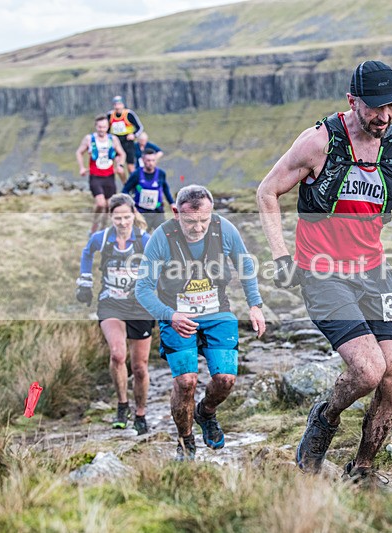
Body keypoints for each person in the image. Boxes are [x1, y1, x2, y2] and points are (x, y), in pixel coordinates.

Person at [256, 60, 392, 484]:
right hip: (322, 273)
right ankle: (324, 418)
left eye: (391, 107)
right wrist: (280, 256)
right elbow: (267, 191)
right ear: (352, 101)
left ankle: (362, 469)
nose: (384, 116)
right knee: (367, 371)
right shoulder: (319, 142)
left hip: (375, 272)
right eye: (375, 107)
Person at [135, 184, 266, 461]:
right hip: (176, 314)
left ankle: (205, 412)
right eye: (190, 221)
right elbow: (143, 288)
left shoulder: (224, 229)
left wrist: (255, 305)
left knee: (226, 380)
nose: (198, 228)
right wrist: (170, 315)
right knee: (186, 382)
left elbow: (246, 266)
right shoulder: (161, 237)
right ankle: (185, 442)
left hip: (217, 312)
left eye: (204, 220)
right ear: (175, 213)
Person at [76, 193, 154, 434]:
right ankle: (122, 405)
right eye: (117, 218)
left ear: (133, 215)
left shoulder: (144, 239)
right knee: (118, 355)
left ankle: (140, 413)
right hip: (111, 303)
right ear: (111, 217)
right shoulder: (102, 238)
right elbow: (87, 253)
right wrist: (85, 283)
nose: (122, 222)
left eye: (126, 217)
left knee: (139, 367)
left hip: (139, 306)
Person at [76, 115, 126, 234]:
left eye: (104, 127)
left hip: (109, 177)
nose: (101, 129)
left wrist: (120, 165)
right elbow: (79, 152)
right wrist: (82, 167)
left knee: (109, 206)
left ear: (107, 127)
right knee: (100, 203)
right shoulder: (89, 139)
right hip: (95, 176)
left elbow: (122, 153)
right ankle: (94, 226)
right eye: (99, 127)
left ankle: (103, 228)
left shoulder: (113, 139)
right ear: (96, 126)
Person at [122, 149, 174, 232]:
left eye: (153, 160)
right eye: (148, 160)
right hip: (141, 212)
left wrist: (172, 203)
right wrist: (131, 207)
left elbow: (165, 188)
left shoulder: (161, 174)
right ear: (143, 160)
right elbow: (125, 191)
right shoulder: (136, 174)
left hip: (157, 211)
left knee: (164, 235)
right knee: (141, 237)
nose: (151, 163)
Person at [107, 96, 144, 181]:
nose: (117, 107)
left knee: (131, 167)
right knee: (119, 168)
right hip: (116, 143)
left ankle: (135, 185)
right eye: (115, 104)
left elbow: (140, 127)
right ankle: (125, 186)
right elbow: (106, 129)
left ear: (123, 105)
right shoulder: (110, 115)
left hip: (128, 143)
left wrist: (134, 135)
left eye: (119, 104)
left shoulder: (129, 114)